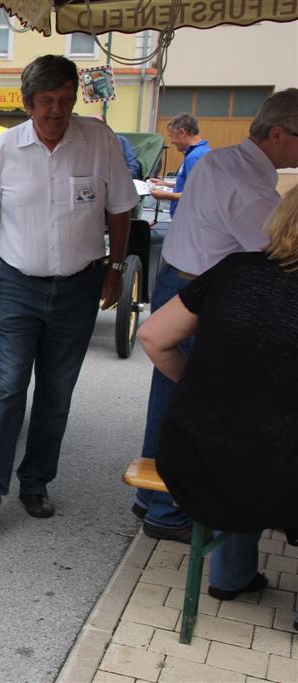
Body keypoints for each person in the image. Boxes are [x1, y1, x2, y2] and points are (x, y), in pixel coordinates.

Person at [0, 55, 138, 532]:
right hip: (18, 285)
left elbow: (121, 209)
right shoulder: (4, 150)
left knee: (57, 393)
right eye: (46, 102)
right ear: (28, 104)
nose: (56, 111)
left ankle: (35, 482)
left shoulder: (99, 142)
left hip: (80, 285)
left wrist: (115, 268)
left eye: (64, 100)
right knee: (8, 388)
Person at [135, 87, 298, 542]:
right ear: (280, 134)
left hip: (179, 275)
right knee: (196, 402)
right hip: (202, 291)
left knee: (169, 397)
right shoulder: (250, 190)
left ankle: (153, 500)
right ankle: (169, 512)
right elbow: (278, 261)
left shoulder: (219, 159)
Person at [137, 186, 298, 626]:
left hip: (196, 455)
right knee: (271, 450)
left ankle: (229, 576)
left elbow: (152, 337)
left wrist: (199, 385)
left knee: (245, 444)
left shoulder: (235, 268)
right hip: (282, 471)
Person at [147, 113, 211, 216]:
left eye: (172, 136)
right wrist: (166, 184)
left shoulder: (194, 157)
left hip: (188, 220)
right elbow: (192, 184)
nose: (172, 142)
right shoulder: (202, 152)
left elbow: (197, 194)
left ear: (182, 132)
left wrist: (167, 195)